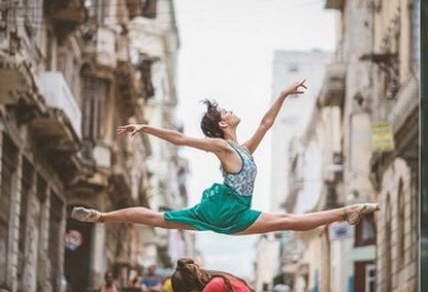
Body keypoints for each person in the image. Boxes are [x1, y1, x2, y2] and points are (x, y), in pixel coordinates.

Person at [69, 81, 378, 234]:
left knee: (157, 218)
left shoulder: (242, 149)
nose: (231, 111)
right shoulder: (222, 148)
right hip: (228, 210)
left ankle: (101, 217)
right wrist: (146, 126)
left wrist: (283, 95)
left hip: (227, 211)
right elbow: (180, 139)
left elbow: (266, 124)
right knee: (288, 220)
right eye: (226, 111)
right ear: (222, 124)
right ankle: (347, 211)